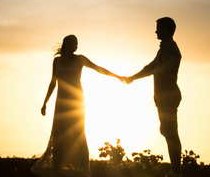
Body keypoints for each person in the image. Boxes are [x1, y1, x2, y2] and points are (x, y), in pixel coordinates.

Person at [33, 34, 122, 176]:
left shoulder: (80, 59)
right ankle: (57, 168)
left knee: (79, 134)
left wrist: (117, 76)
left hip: (77, 103)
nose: (77, 46)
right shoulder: (57, 61)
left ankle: (85, 170)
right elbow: (52, 83)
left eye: (77, 43)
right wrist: (45, 103)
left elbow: (97, 68)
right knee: (59, 135)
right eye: (74, 43)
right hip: (61, 103)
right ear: (67, 45)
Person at [122, 17, 182, 175]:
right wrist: (132, 78)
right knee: (168, 132)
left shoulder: (170, 48)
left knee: (171, 133)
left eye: (158, 28)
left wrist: (134, 77)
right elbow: (151, 68)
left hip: (168, 96)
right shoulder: (164, 48)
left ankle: (176, 172)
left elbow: (161, 70)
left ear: (166, 29)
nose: (155, 31)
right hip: (164, 96)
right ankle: (175, 171)